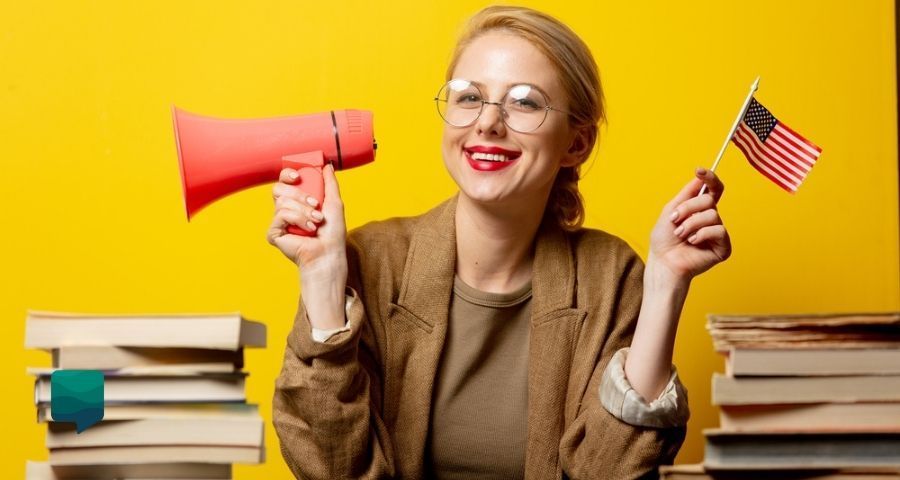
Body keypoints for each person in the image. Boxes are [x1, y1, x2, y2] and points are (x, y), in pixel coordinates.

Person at [268, 6, 731, 479]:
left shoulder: (611, 277)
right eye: (469, 97)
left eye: (525, 103)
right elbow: (329, 467)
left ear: (576, 144)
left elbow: (615, 470)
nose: (488, 122)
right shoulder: (370, 261)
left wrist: (666, 284)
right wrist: (322, 279)